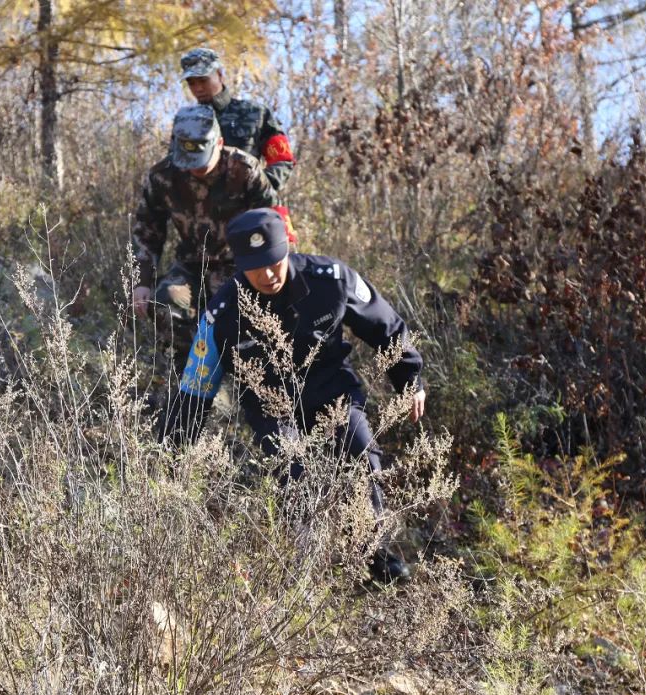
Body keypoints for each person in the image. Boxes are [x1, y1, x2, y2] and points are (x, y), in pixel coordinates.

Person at [161, 208, 426, 583]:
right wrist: (172, 452)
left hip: (331, 388)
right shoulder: (222, 313)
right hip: (270, 405)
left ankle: (371, 556)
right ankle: (304, 571)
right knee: (294, 472)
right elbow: (195, 386)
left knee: (360, 455)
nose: (267, 274)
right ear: (239, 264)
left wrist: (409, 378)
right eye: (255, 266)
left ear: (287, 248)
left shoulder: (331, 279)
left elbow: (383, 324)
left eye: (274, 262)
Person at [132, 104, 279, 366]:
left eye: (201, 162)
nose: (194, 170)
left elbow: (272, 226)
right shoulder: (162, 176)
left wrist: (273, 276)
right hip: (191, 266)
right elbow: (147, 229)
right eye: (187, 162)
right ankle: (192, 372)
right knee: (166, 303)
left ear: (219, 143)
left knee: (248, 324)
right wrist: (142, 280)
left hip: (241, 268)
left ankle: (240, 376)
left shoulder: (245, 170)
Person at [179, 48, 296, 193]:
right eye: (192, 83)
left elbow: (282, 160)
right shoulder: (186, 123)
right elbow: (176, 170)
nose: (198, 88)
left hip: (247, 208)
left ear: (220, 75)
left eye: (203, 80)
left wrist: (261, 187)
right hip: (199, 209)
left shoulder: (255, 113)